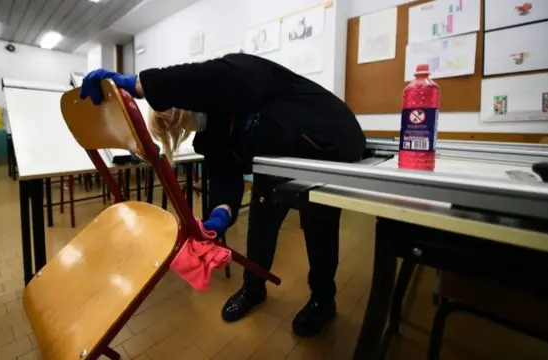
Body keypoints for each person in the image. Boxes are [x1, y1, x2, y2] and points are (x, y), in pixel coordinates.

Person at [80, 53, 366, 337]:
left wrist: (138, 84)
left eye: (180, 120)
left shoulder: (239, 75)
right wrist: (219, 216)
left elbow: (211, 77)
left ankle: (323, 300)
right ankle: (252, 289)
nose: (186, 128)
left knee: (320, 228)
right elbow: (224, 176)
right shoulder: (211, 134)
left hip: (327, 150)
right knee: (260, 225)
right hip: (274, 164)